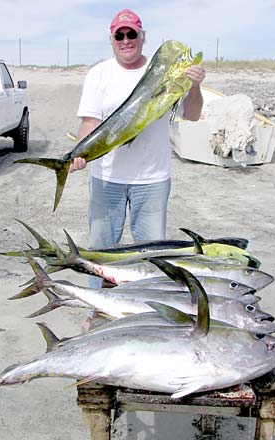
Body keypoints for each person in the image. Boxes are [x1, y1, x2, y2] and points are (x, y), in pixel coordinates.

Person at [71, 9, 206, 288]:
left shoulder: (166, 74)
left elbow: (192, 115)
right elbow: (90, 122)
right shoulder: (99, 74)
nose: (125, 40)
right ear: (111, 40)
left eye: (131, 33)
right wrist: (77, 154)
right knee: (101, 251)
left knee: (151, 254)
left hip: (152, 180)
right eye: (119, 35)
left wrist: (194, 87)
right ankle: (98, 307)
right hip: (106, 179)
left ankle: (143, 307)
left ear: (142, 37)